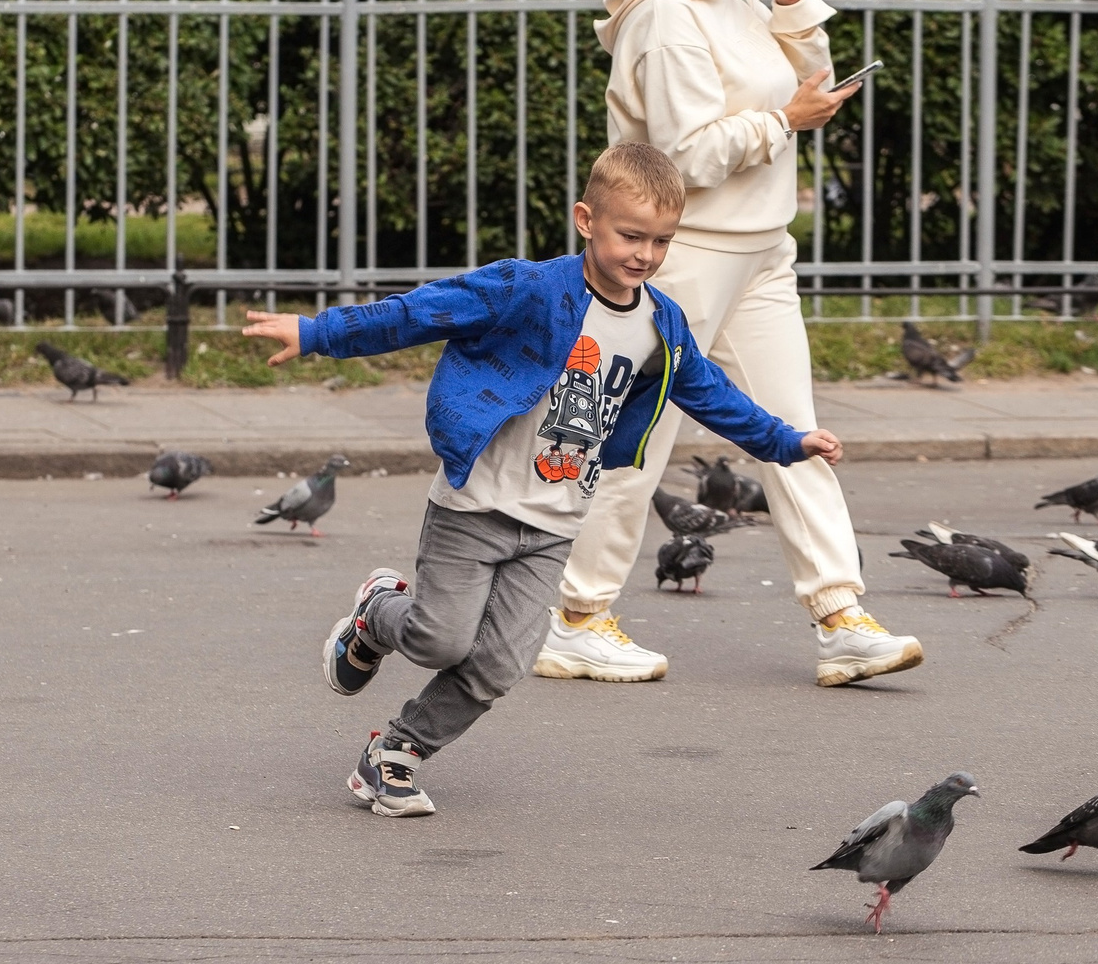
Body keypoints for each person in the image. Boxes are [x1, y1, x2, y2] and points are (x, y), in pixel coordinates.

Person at [243, 141, 843, 817]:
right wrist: (321, 331)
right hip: (476, 505)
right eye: (630, 235)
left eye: (662, 241)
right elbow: (424, 310)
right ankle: (376, 615)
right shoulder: (529, 290)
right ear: (587, 220)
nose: (644, 255)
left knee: (500, 665)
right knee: (440, 639)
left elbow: (710, 393)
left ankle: (396, 755)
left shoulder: (661, 324)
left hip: (555, 522)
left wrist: (785, 441)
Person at [534, 0, 918, 691]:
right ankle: (576, 616)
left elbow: (806, 90)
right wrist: (784, 121)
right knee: (641, 435)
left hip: (759, 248)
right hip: (686, 256)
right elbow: (680, 156)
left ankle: (840, 616)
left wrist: (788, 0)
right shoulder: (666, 12)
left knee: (794, 428)